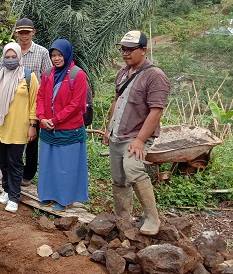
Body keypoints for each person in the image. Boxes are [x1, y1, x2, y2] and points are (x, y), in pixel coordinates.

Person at [103, 31, 170, 236]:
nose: (125, 53)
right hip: (118, 133)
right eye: (123, 49)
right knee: (118, 177)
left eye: (130, 49)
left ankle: (152, 218)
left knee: (133, 168)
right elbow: (117, 101)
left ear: (143, 50)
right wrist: (108, 127)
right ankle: (123, 218)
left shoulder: (155, 76)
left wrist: (140, 140)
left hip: (136, 135)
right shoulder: (123, 72)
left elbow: (156, 111)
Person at [0, 43, 39, 213]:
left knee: (15, 163)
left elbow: (34, 103)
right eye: (6, 57)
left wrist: (32, 125)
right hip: (0, 127)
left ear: (19, 57)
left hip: (20, 128)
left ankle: (15, 197)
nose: (10, 60)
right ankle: (6, 190)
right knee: (3, 162)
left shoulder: (29, 77)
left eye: (13, 56)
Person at [36, 39, 89, 211]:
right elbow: (41, 97)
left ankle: (66, 199)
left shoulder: (77, 75)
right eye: (53, 55)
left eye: (59, 55)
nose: (56, 59)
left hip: (69, 129)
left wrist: (55, 120)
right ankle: (48, 195)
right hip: (48, 128)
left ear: (66, 54)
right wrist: (41, 117)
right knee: (48, 164)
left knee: (66, 167)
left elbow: (76, 104)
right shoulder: (47, 74)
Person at [13, 18, 52, 186]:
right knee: (14, 136)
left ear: (33, 33)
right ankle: (15, 169)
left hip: (35, 103)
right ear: (16, 34)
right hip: (14, 103)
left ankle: (28, 174)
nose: (24, 36)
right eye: (21, 33)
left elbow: (49, 78)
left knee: (31, 137)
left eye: (27, 32)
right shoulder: (11, 51)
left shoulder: (42, 52)